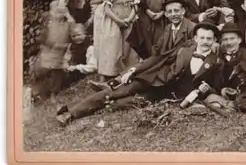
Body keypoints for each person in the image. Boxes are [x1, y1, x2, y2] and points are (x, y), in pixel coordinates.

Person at [56, 22, 222, 126]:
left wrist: (207, 90)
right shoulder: (184, 51)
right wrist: (133, 70)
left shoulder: (216, 62)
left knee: (121, 103)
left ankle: (72, 107)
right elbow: (156, 59)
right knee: (115, 92)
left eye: (209, 38)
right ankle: (71, 114)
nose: (205, 41)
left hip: (163, 94)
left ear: (214, 40)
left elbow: (216, 86)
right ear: (195, 38)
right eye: (202, 38)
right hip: (152, 79)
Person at [88, 0, 196, 92]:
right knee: (143, 65)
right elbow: (158, 50)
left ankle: (114, 86)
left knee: (146, 70)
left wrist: (155, 60)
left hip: (178, 69)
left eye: (176, 11)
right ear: (166, 14)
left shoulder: (192, 28)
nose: (173, 14)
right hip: (164, 62)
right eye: (170, 12)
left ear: (183, 11)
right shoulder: (168, 28)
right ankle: (113, 83)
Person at [97, 0, 140, 82]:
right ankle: (108, 73)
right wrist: (118, 21)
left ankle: (126, 71)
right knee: (112, 47)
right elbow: (106, 9)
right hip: (113, 22)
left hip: (128, 21)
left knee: (128, 46)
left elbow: (135, 7)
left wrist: (129, 18)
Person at [30, 1, 71, 104]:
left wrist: (68, 15)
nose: (59, 13)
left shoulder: (67, 25)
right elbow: (41, 38)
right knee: (40, 71)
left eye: (61, 11)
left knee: (57, 73)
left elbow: (73, 34)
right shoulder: (47, 24)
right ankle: (34, 90)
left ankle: (54, 94)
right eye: (55, 11)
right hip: (47, 53)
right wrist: (54, 45)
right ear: (51, 12)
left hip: (60, 56)